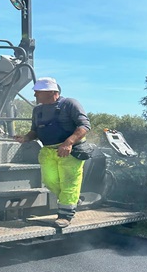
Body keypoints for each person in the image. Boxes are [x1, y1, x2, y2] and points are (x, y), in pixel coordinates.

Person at [14, 77, 90, 228]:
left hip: (70, 151)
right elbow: (35, 131)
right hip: (49, 151)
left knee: (69, 182)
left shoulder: (69, 104)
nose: (35, 96)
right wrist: (26, 138)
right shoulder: (37, 110)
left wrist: (68, 143)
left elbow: (84, 126)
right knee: (50, 181)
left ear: (51, 92)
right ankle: (72, 200)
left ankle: (65, 216)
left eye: (37, 92)